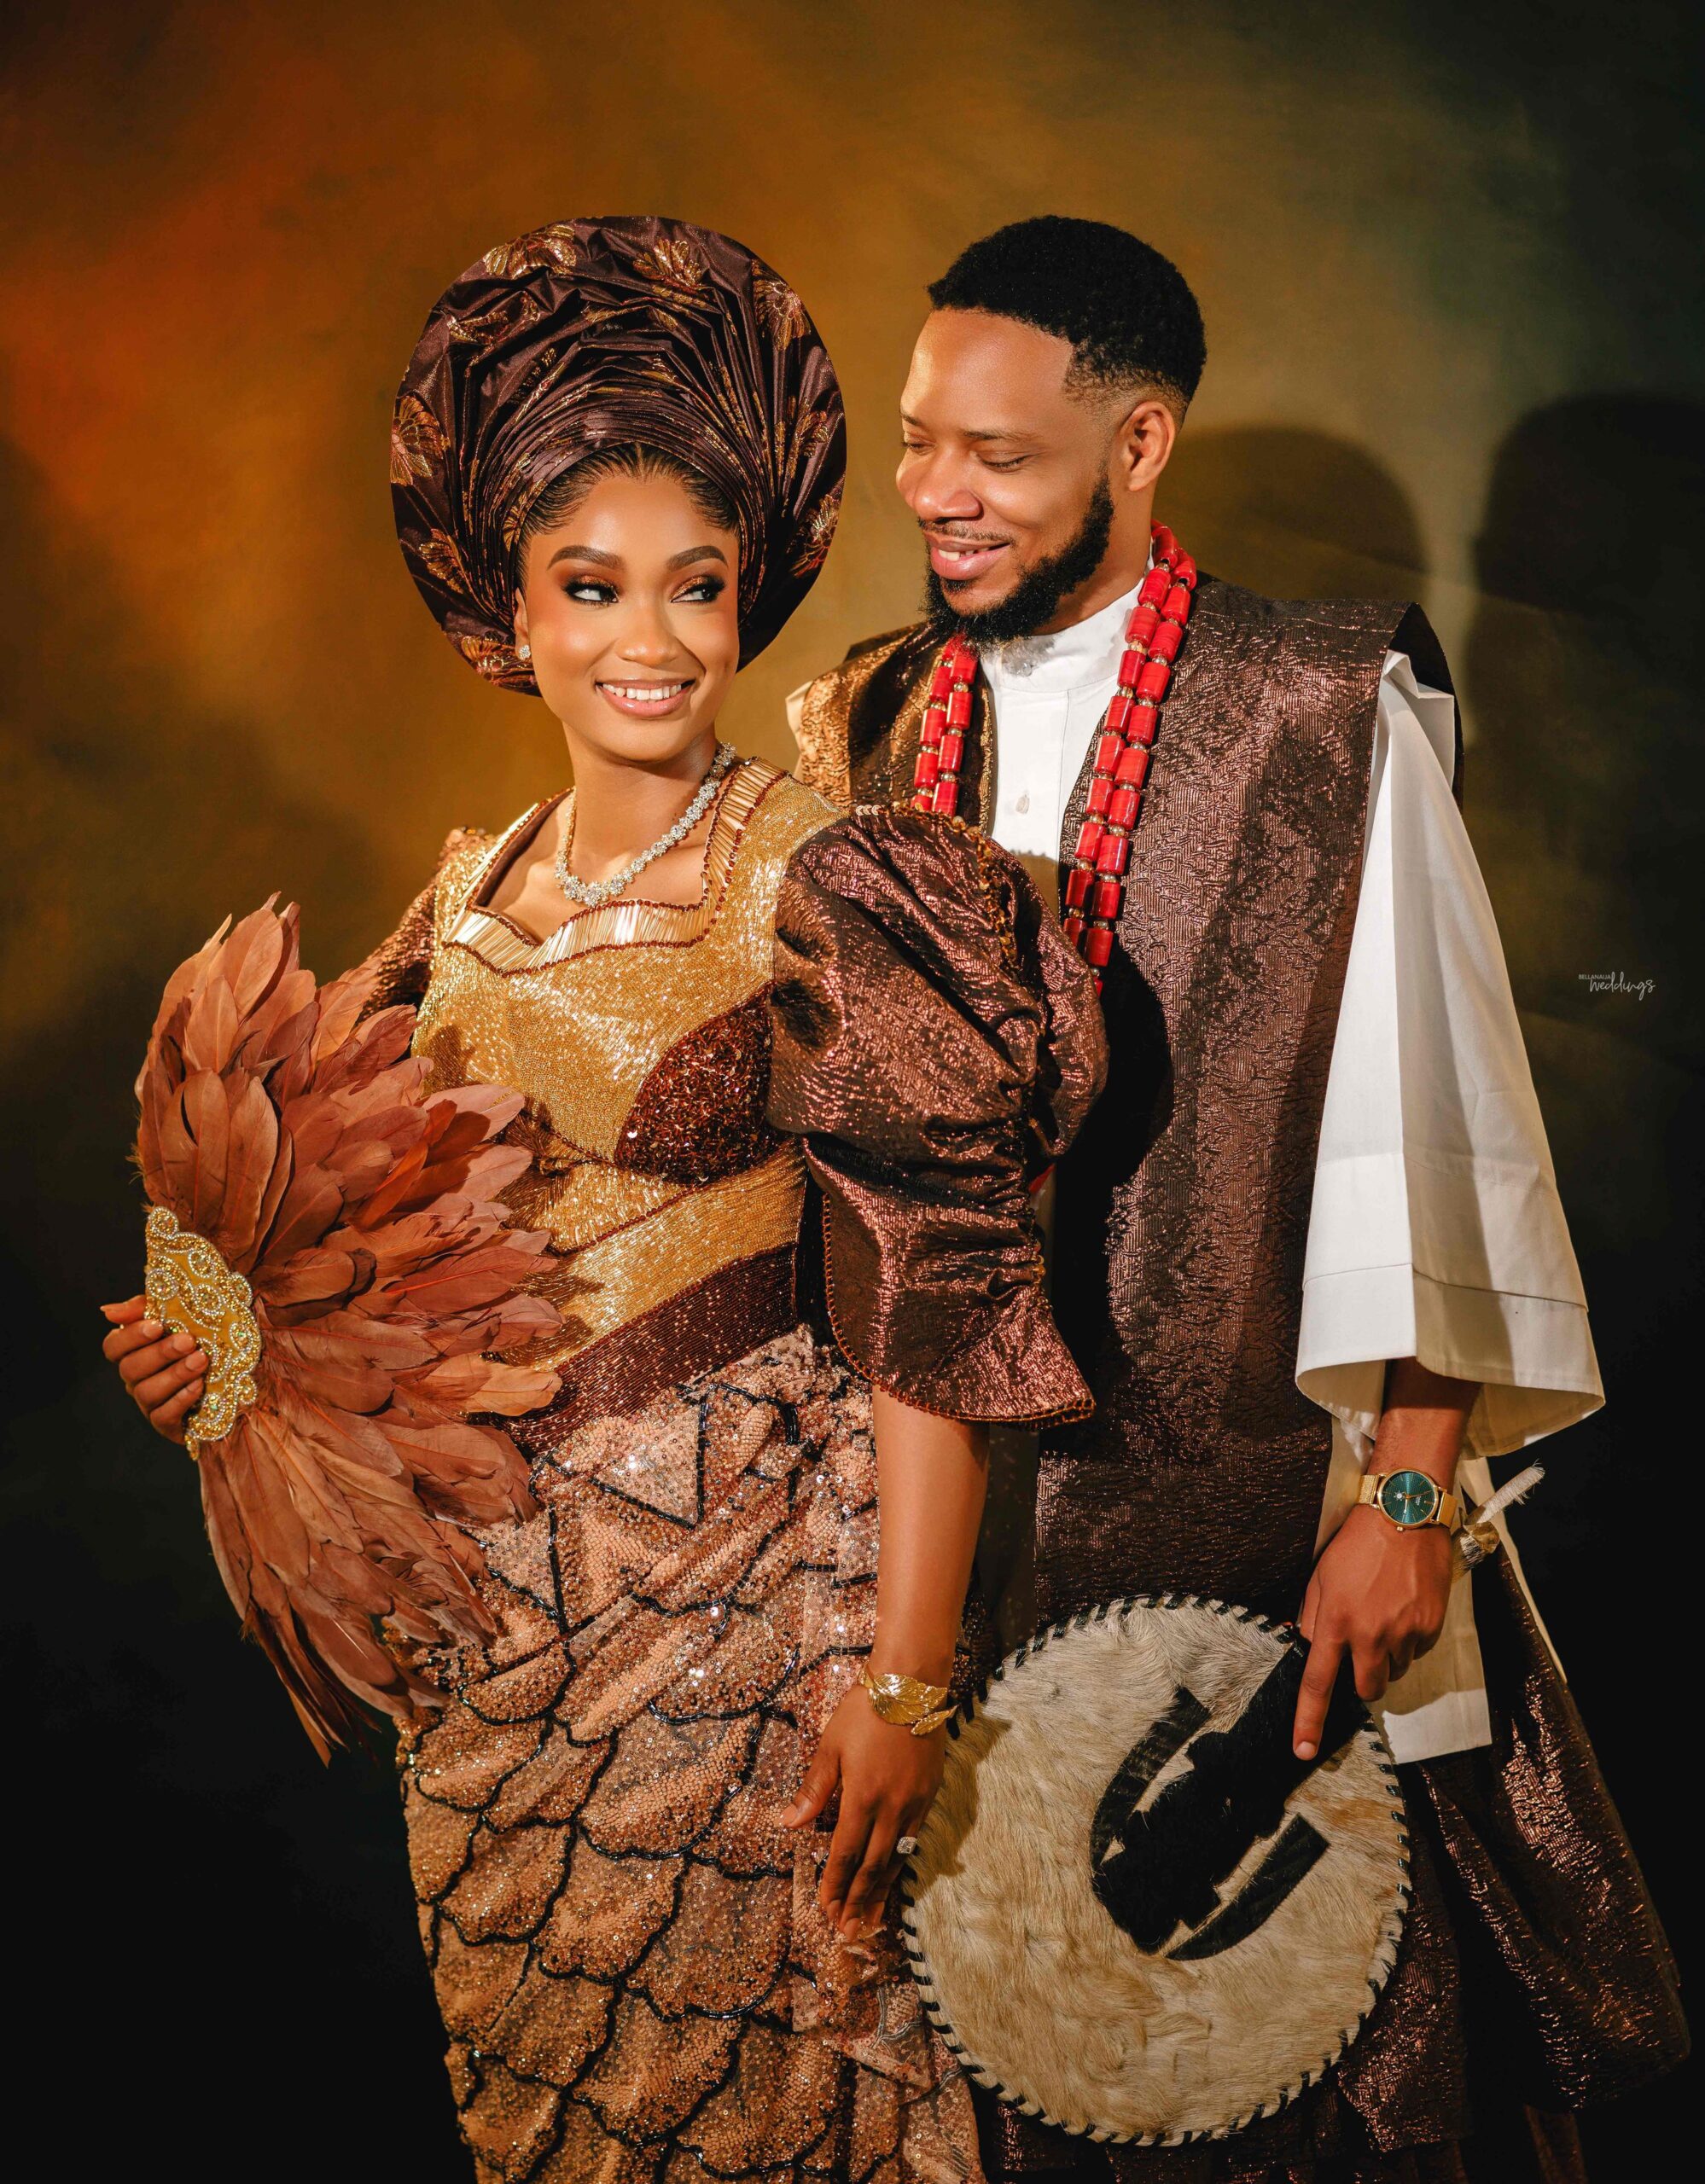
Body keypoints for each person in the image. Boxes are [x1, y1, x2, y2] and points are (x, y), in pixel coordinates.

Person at [98, 215, 1107, 2184]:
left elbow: (934, 1301)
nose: (652, 638)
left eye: (696, 585)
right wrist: (219, 1374)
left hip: (756, 1625)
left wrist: (909, 1675)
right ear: (513, 608)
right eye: (595, 584)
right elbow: (348, 1270)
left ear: (747, 598)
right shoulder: (460, 903)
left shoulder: (829, 881)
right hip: (492, 1661)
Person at [790, 216, 1687, 2181]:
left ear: (1140, 445)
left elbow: (1430, 1111)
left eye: (997, 456)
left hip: (1263, 1528)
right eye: (921, 437)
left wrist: (1411, 1489)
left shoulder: (1320, 700)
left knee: (1288, 2067)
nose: (936, 491)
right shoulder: (870, 718)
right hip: (936, 1543)